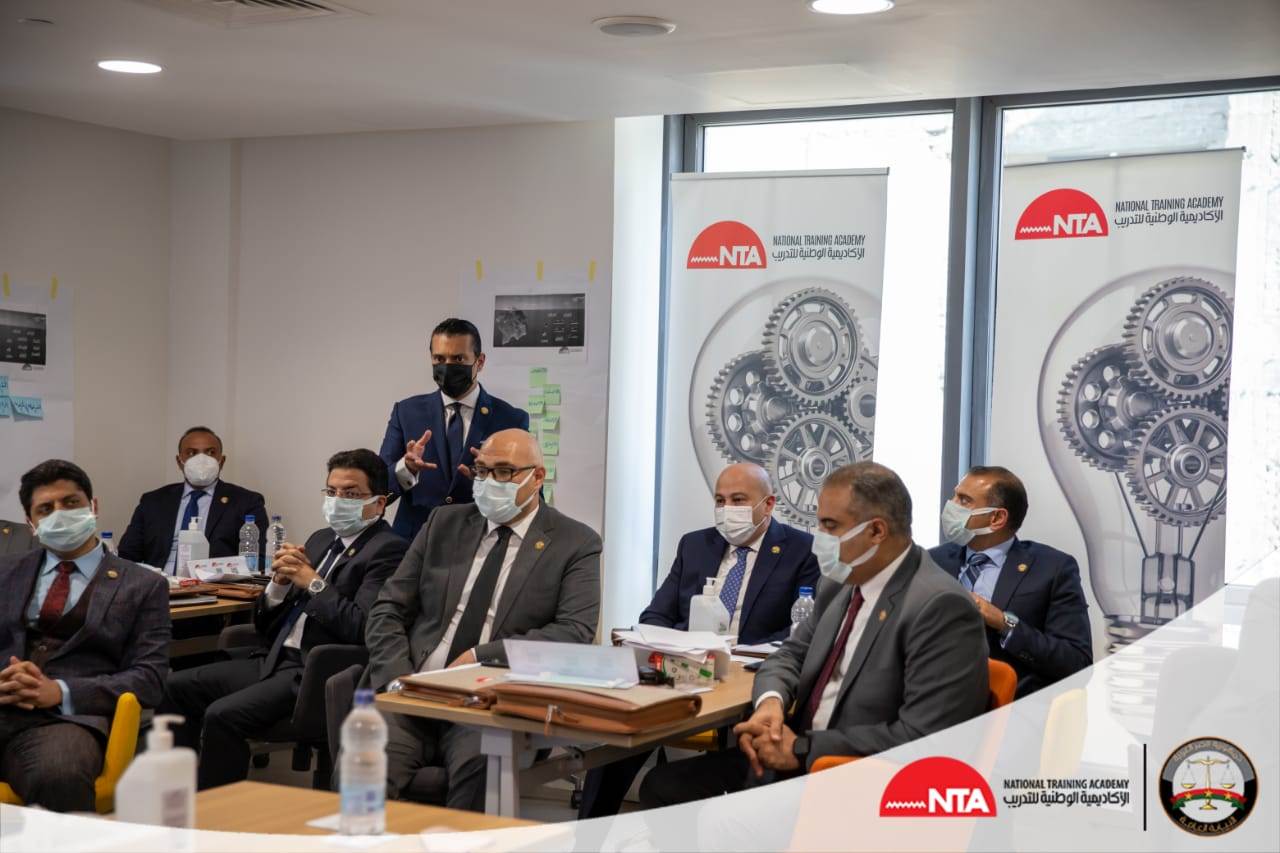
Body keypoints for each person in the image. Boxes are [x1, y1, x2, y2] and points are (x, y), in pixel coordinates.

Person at [639, 462, 989, 807]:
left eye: (830, 525)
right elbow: (790, 654)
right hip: (797, 754)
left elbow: (925, 738)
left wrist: (800, 749)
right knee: (663, 785)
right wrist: (770, 703)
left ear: (876, 531)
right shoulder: (841, 583)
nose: (818, 536)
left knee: (715, 816)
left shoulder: (940, 606)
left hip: (859, 778)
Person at [365, 429, 600, 811]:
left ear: (537, 477)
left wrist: (482, 655)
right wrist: (397, 679)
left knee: (481, 767)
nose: (490, 481)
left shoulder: (575, 542)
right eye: (482, 471)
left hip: (489, 705)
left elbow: (574, 632)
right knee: (365, 765)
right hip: (414, 693)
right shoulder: (444, 523)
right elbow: (388, 608)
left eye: (504, 472)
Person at [578, 461, 820, 818]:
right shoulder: (696, 544)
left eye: (738, 500)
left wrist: (735, 653)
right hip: (683, 671)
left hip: (746, 677)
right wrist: (667, 646)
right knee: (617, 738)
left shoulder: (802, 549)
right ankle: (588, 833)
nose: (726, 509)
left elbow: (799, 631)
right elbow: (655, 616)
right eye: (720, 500)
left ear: (768, 504)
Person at [160, 449, 407, 790]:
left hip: (314, 672)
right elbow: (265, 625)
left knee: (222, 715)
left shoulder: (388, 550)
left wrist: (313, 583)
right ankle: (174, 791)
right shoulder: (322, 539)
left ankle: (214, 811)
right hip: (274, 658)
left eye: (350, 494)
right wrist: (277, 586)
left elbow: (363, 628)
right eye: (331, 491)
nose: (337, 501)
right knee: (175, 687)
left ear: (379, 503)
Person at [0, 460, 170, 812]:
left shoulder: (143, 585)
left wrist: (59, 692)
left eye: (70, 503)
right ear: (31, 524)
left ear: (93, 506)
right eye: (46, 509)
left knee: (58, 775)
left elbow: (150, 678)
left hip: (66, 721)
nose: (60, 514)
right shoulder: (7, 572)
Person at [930, 465, 1092, 697]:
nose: (951, 505)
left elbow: (1076, 662)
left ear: (997, 518)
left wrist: (1003, 622)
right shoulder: (932, 561)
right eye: (954, 496)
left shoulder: (1052, 569)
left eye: (964, 500)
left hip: (1009, 706)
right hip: (934, 698)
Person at [379, 318, 529, 541]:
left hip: (481, 543)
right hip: (414, 544)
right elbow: (378, 490)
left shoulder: (510, 419)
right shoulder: (406, 412)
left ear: (479, 362)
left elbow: (530, 496)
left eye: (458, 359)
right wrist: (406, 469)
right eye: (439, 359)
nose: (447, 366)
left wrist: (493, 483)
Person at [118, 426, 268, 574]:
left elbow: (260, 560)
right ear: (179, 461)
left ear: (221, 461)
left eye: (211, 452)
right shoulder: (153, 501)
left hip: (215, 586)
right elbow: (126, 556)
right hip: (159, 584)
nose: (201, 460)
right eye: (191, 453)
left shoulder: (247, 502)